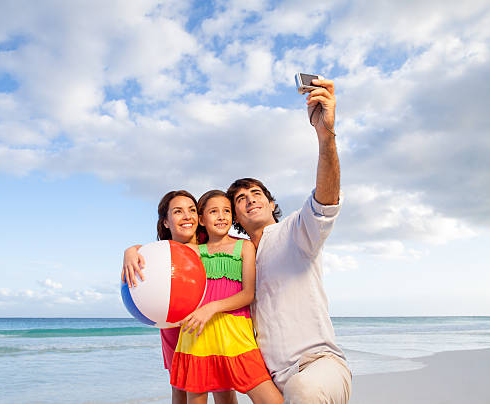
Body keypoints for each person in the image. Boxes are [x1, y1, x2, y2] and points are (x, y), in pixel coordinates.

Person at [225, 78, 351, 403]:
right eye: (240, 198)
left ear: (271, 204)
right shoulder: (238, 259)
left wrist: (326, 137)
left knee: (303, 390)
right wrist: (134, 251)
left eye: (257, 193)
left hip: (319, 368)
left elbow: (325, 201)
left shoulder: (294, 231)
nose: (250, 199)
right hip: (272, 383)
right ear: (235, 216)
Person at [121, 190, 237, 404]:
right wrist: (130, 250)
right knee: (180, 388)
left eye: (192, 210)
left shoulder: (209, 245)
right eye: (178, 211)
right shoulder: (161, 253)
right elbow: (145, 252)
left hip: (209, 324)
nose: (187, 216)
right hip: (173, 326)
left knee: (223, 389)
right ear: (165, 222)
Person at [170, 190, 282, 404]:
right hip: (197, 337)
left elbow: (248, 294)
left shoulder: (244, 247)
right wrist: (130, 252)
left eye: (226, 211)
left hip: (237, 336)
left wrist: (210, 308)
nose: (221, 216)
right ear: (201, 219)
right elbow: (157, 252)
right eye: (213, 211)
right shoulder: (191, 251)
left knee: (271, 399)